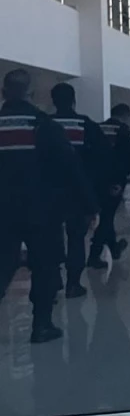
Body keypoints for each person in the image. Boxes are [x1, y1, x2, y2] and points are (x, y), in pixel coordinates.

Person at [0, 70, 95, 342]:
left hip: (3, 212)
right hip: (42, 211)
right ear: (31, 94)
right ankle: (41, 326)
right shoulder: (43, 126)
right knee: (45, 266)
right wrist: (89, 205)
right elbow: (70, 169)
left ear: (3, 93)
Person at [49, 82, 109, 298]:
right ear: (74, 100)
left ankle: (54, 279)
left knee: (51, 237)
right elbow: (103, 157)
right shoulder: (85, 124)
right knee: (76, 238)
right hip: (78, 191)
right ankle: (73, 284)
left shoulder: (44, 124)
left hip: (49, 191)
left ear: (53, 101)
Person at [88, 102, 130, 268]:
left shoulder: (97, 128)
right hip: (114, 180)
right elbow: (127, 156)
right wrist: (121, 179)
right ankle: (94, 254)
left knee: (106, 215)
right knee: (107, 218)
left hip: (95, 179)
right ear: (125, 115)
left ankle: (114, 247)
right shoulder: (122, 130)